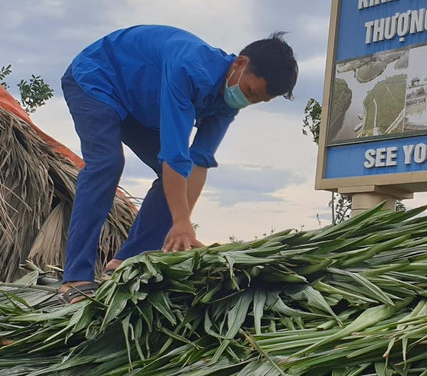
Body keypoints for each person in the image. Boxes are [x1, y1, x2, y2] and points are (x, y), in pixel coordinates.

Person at [59, 25, 298, 302]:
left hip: (139, 106)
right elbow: (175, 155)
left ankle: (126, 263)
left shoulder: (228, 103)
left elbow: (199, 161)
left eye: (257, 100)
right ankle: (75, 279)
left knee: (172, 181)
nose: (246, 101)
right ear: (240, 64)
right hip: (98, 78)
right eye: (249, 91)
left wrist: (183, 226)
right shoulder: (189, 67)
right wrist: (180, 220)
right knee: (107, 163)